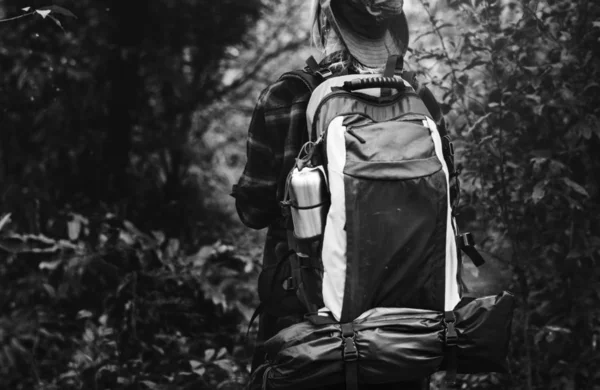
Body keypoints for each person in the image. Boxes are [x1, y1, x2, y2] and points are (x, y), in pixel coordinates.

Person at [232, 0, 428, 388]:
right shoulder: (414, 97)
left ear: (325, 21)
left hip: (304, 319)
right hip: (400, 322)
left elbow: (252, 212)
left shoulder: (286, 95)